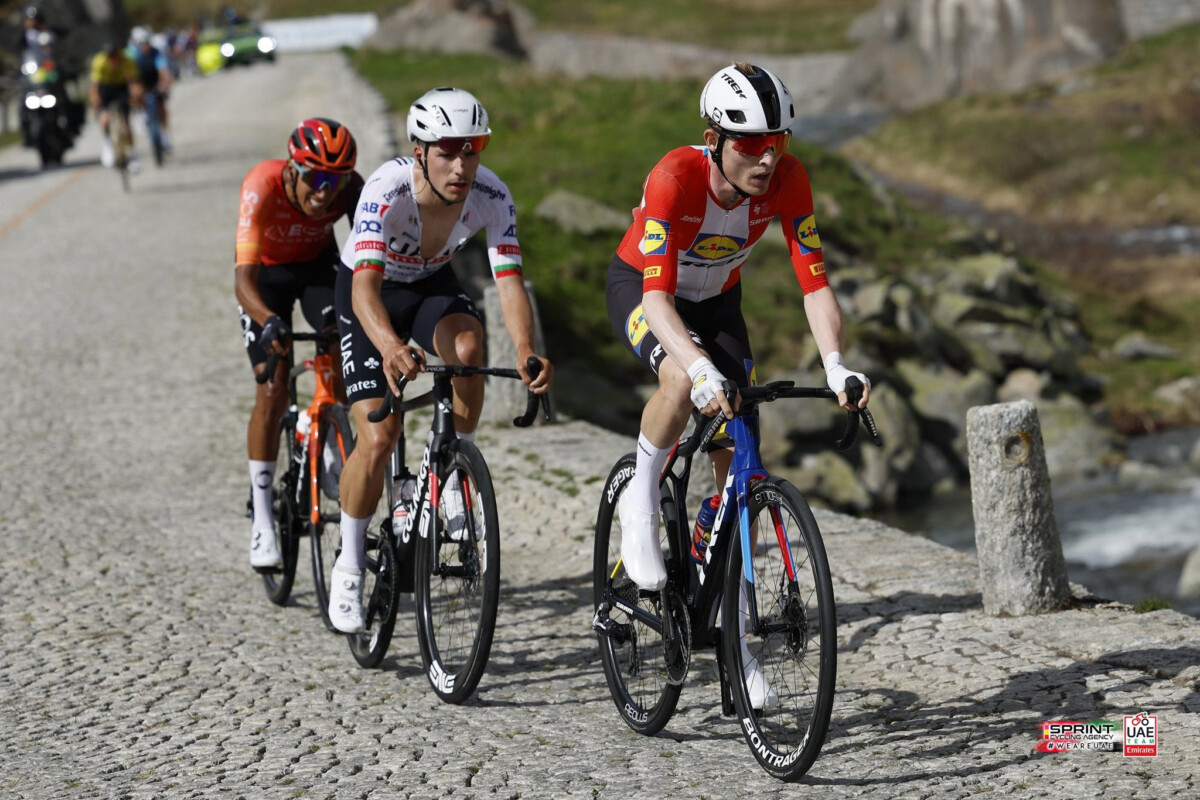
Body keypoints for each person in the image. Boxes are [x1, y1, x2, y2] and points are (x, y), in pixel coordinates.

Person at [605, 62, 871, 705]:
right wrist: (696, 369)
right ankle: (639, 499)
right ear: (714, 139)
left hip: (720, 305)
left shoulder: (789, 180)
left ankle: (734, 636)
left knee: (743, 465)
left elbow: (814, 284)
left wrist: (836, 365)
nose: (766, 159)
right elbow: (659, 301)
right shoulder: (676, 177)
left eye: (777, 143)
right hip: (648, 294)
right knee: (678, 380)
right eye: (751, 145)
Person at [329, 87, 554, 633]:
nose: (461, 166)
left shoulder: (493, 196)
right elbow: (364, 292)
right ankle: (350, 562)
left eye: (472, 150)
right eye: (448, 152)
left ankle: (453, 470)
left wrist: (526, 351)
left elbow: (508, 283)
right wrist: (389, 346)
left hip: (430, 284)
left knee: (470, 349)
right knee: (379, 438)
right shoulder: (387, 189)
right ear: (420, 150)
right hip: (370, 294)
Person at [236, 118, 364, 569]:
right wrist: (269, 321)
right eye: (316, 178)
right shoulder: (262, 185)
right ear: (291, 169)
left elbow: (369, 253)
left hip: (315, 267)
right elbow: (243, 280)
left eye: (337, 180)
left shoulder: (350, 189)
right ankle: (263, 517)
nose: (325, 191)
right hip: (266, 279)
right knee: (271, 391)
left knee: (340, 338)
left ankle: (330, 434)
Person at [88, 39, 142, 170]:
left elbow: (133, 81)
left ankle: (132, 152)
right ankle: (108, 145)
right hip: (105, 88)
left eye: (114, 55)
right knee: (105, 120)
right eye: (109, 56)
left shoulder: (127, 60)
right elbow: (95, 85)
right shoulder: (99, 62)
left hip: (121, 87)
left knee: (126, 121)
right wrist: (95, 100)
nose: (112, 58)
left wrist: (135, 96)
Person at [129, 26, 173, 153]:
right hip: (141, 81)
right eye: (142, 43)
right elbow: (131, 75)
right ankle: (142, 114)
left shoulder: (156, 52)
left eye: (146, 42)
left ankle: (165, 135)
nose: (145, 46)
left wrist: (165, 82)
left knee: (161, 106)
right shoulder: (133, 54)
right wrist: (133, 89)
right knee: (136, 93)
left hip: (154, 80)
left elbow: (163, 69)